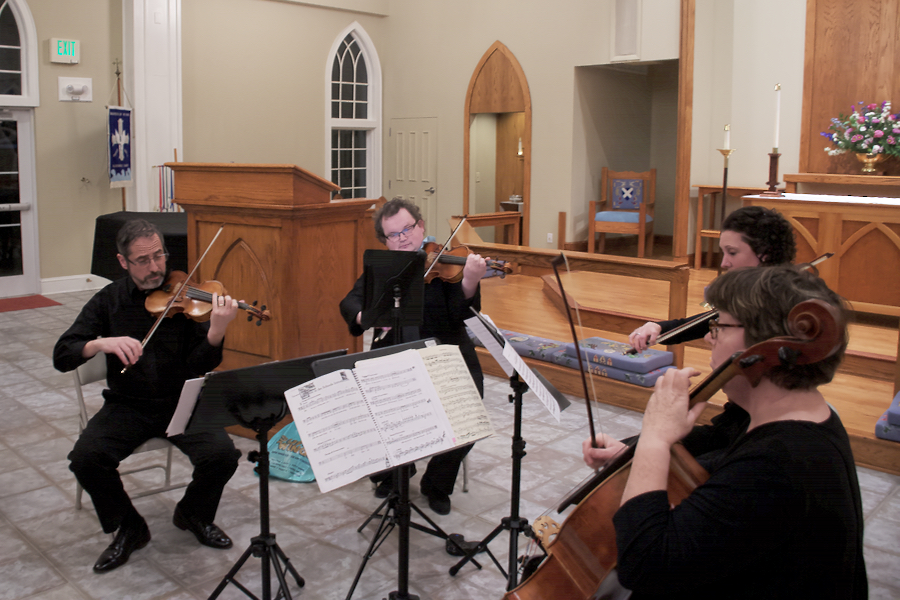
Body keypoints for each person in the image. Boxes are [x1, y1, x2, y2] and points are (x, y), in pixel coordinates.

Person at [583, 266, 866, 598]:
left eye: (719, 326)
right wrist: (635, 455)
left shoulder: (778, 463)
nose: (707, 336)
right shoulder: (798, 420)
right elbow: (722, 465)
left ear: (762, 345)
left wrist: (655, 438)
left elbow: (643, 564)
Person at [54, 219, 242, 573]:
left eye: (159, 255)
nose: (155, 267)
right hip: (129, 404)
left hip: (181, 401)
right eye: (143, 260)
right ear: (123, 262)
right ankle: (130, 526)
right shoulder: (108, 302)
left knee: (223, 455)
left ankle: (192, 513)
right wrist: (99, 343)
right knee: (85, 458)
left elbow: (199, 365)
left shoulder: (185, 297)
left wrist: (216, 331)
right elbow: (62, 354)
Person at [339, 197, 487, 515]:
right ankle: (394, 474)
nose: (403, 237)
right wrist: (366, 316)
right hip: (393, 359)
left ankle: (437, 484)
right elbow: (349, 302)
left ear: (420, 227)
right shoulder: (382, 270)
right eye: (394, 234)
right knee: (364, 407)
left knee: (470, 415)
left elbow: (463, 313)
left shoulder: (445, 265)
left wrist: (471, 281)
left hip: (446, 354)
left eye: (408, 228)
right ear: (385, 241)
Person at [629, 205, 797, 352]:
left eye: (732, 252)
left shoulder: (786, 302)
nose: (723, 263)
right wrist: (659, 327)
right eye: (723, 252)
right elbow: (713, 321)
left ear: (764, 253)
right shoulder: (750, 294)